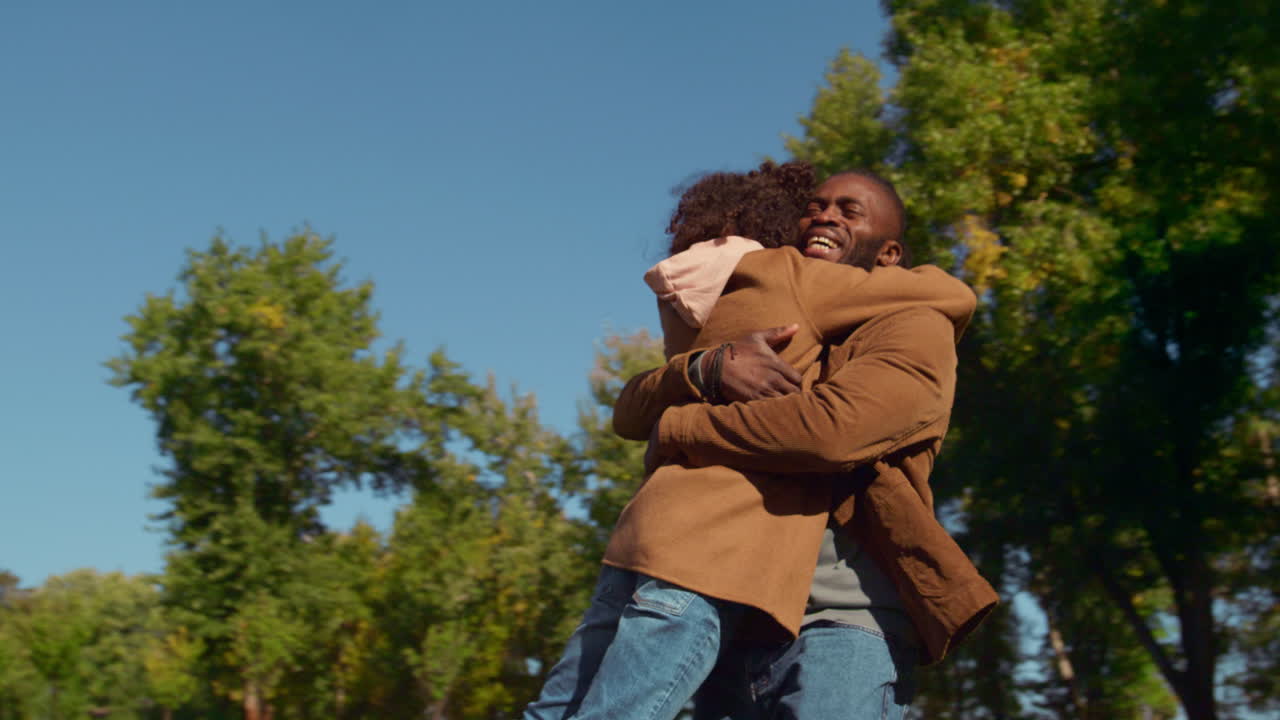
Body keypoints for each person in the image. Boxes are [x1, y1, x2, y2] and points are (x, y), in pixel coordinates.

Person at [523, 163, 988, 720]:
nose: (824, 216)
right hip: (738, 602)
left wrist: (682, 427)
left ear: (890, 255)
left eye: (848, 211)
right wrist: (704, 368)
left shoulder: (916, 324)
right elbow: (631, 405)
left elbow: (831, 431)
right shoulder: (774, 300)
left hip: (844, 618)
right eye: (816, 206)